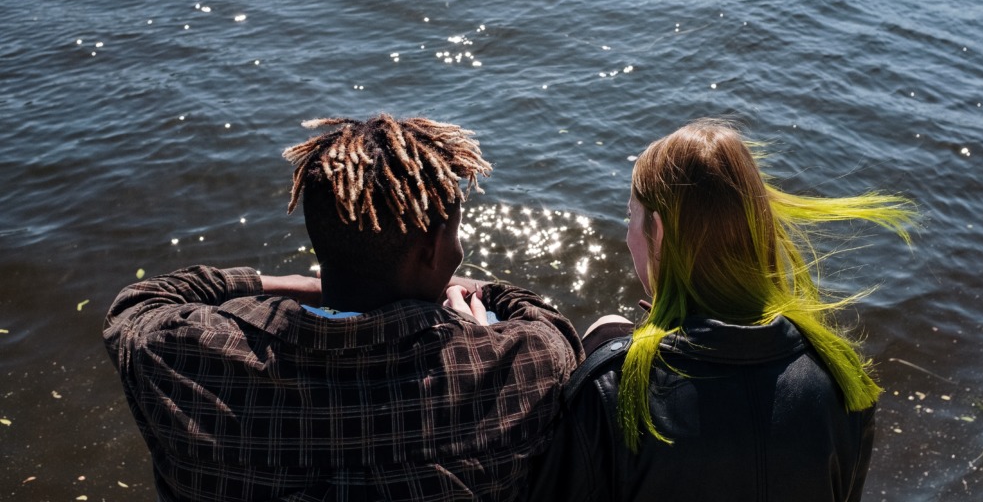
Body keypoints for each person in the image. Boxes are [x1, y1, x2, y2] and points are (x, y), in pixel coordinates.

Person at [103, 114, 583, 502]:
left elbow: (140, 302)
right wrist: (458, 302)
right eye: (454, 238)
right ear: (434, 250)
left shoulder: (176, 357)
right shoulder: (521, 363)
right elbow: (548, 322)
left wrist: (299, 286)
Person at [528, 118, 916, 502]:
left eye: (631, 216)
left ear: (659, 231)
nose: (628, 233)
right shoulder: (839, 374)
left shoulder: (616, 388)